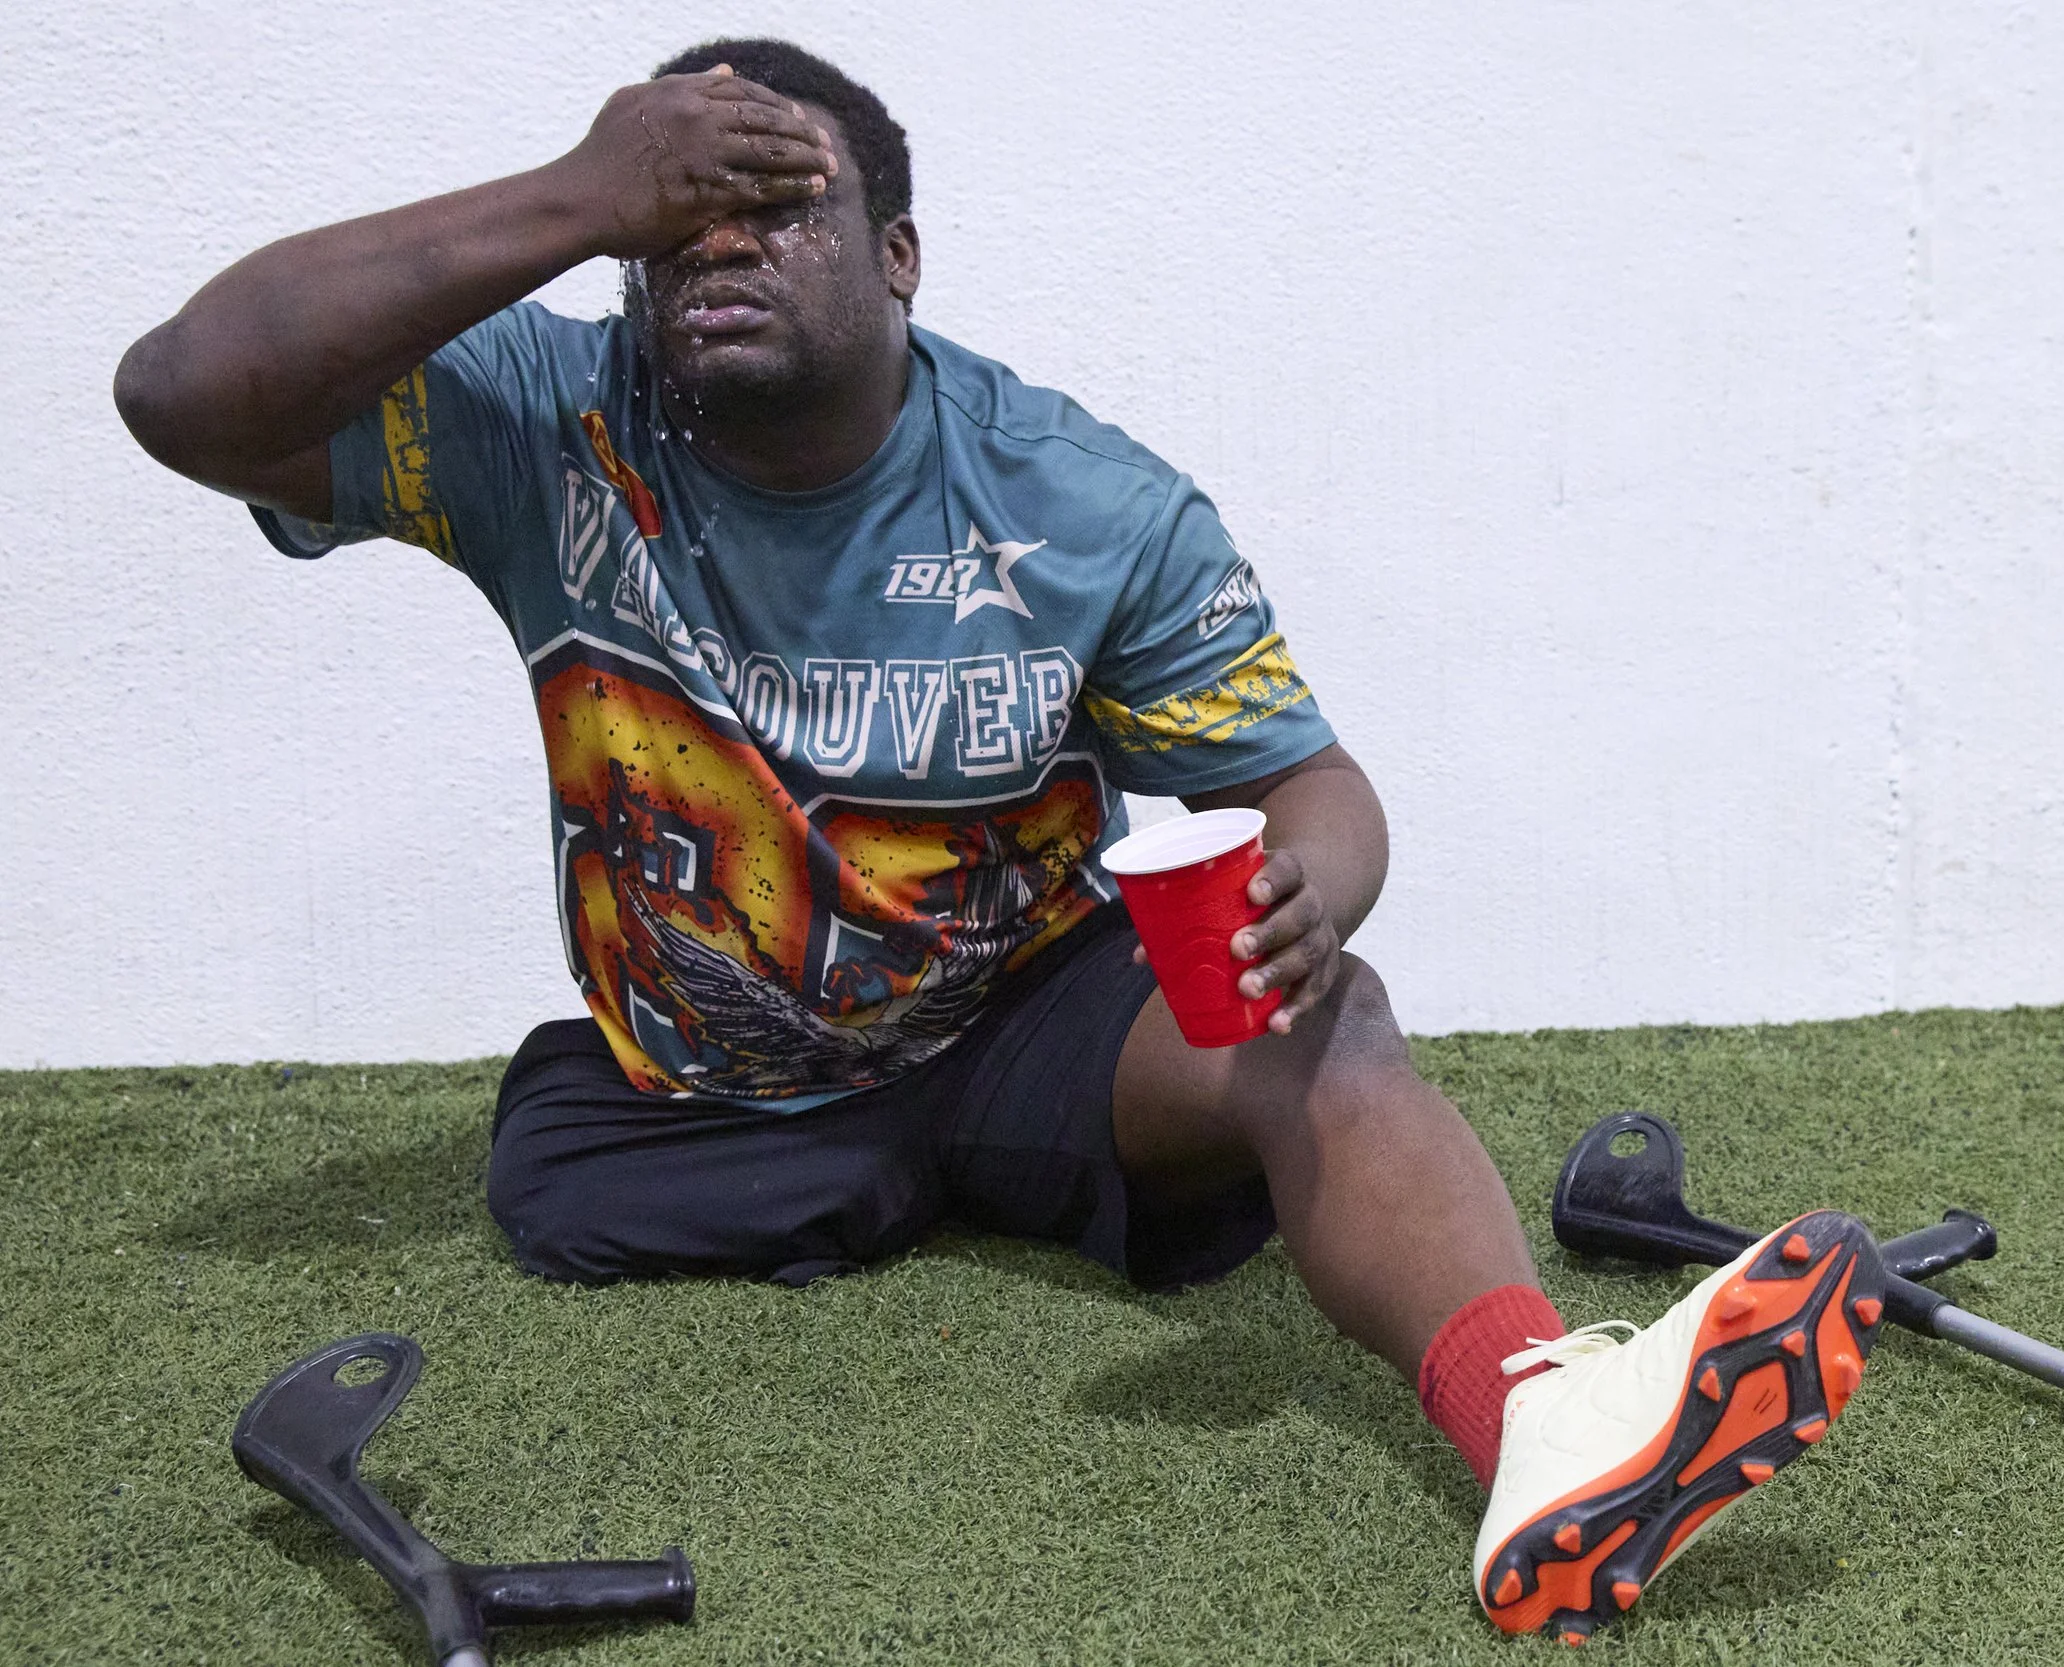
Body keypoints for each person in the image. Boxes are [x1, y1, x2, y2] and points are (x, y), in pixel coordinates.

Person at [115, 38, 1883, 1639]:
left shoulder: (1074, 500)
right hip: (701, 1088)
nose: (715, 246)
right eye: (675, 218)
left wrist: (1309, 896)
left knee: (1316, 1026)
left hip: (1030, 1026)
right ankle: (907, 1188)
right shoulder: (545, 423)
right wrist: (578, 194)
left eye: (775, 201)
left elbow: (1321, 790)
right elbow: (182, 391)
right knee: (552, 1188)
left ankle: (1549, 1432)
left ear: (899, 256)